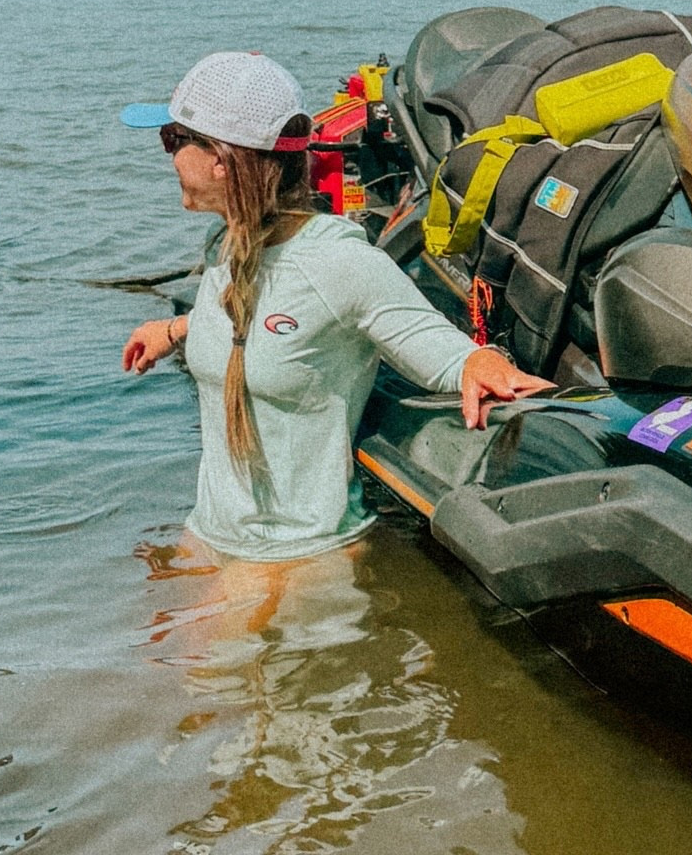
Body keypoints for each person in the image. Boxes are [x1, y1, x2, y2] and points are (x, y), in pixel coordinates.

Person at [121, 50, 555, 563]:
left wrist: (479, 364)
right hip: (212, 533)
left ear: (220, 160)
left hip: (295, 555)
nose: (167, 155)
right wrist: (174, 329)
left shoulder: (337, 261)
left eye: (173, 140)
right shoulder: (236, 248)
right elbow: (255, 321)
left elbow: (434, 345)